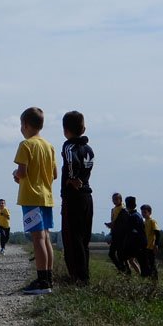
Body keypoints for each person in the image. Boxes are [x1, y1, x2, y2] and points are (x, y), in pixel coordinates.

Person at [13, 107, 57, 295]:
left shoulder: (26, 145)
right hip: (46, 197)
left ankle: (41, 282)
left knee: (37, 238)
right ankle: (48, 278)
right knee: (46, 237)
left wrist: (16, 174)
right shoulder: (49, 146)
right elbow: (54, 174)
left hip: (31, 196)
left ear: (25, 125)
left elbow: (22, 172)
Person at [59, 111, 94, 285]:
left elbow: (71, 160)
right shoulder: (88, 148)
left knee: (71, 239)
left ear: (65, 130)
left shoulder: (68, 146)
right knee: (83, 239)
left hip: (73, 197)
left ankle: (76, 277)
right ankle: (84, 276)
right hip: (88, 195)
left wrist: (72, 178)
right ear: (84, 128)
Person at [119, 196, 147, 276]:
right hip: (140, 242)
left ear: (127, 206)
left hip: (135, 244)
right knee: (131, 260)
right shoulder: (138, 215)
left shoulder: (132, 217)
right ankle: (139, 275)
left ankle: (128, 274)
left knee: (124, 258)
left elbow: (130, 231)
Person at [105, 192, 127, 272]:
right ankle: (121, 269)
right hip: (114, 234)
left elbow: (123, 223)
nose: (114, 201)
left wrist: (113, 225)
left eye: (116, 199)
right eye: (113, 199)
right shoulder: (113, 209)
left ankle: (124, 271)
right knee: (111, 254)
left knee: (120, 254)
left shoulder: (123, 209)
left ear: (120, 199)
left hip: (121, 235)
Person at [141, 204, 161, 279]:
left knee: (152, 265)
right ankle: (149, 279)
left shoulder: (152, 221)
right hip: (145, 246)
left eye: (145, 212)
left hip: (151, 247)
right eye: (142, 212)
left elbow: (158, 233)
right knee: (146, 264)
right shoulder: (144, 222)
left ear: (150, 213)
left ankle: (155, 281)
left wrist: (156, 245)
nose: (143, 214)